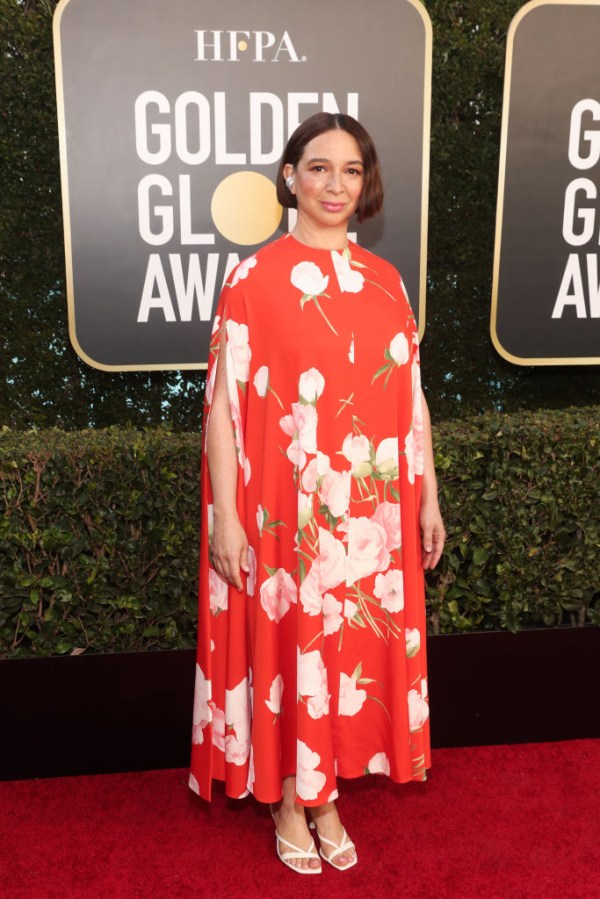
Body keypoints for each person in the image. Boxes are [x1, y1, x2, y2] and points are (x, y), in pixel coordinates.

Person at [189, 112, 445, 874]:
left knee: (346, 652)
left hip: (368, 514)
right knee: (293, 647)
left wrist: (428, 497)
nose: (336, 183)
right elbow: (223, 410)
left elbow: (414, 397)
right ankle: (291, 800)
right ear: (288, 177)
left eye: (352, 170)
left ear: (366, 187)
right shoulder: (251, 279)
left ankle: (327, 789)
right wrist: (228, 519)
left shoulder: (387, 281)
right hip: (280, 513)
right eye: (320, 166)